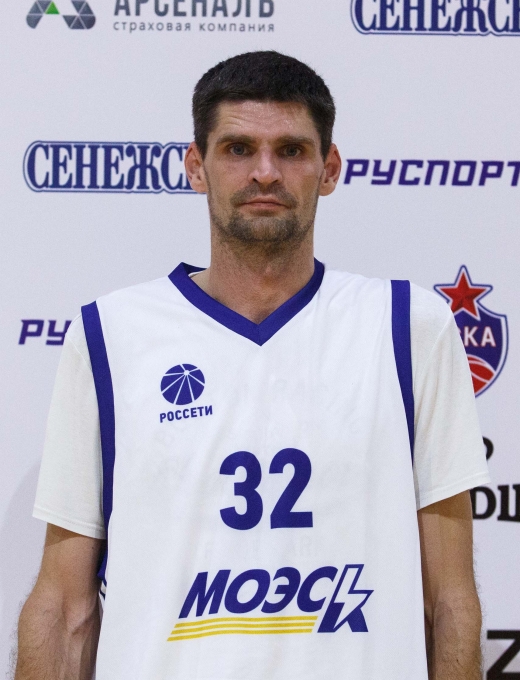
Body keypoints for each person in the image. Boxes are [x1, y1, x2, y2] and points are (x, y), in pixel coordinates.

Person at [15, 51, 490, 680]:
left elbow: (448, 602)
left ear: (330, 168)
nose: (265, 172)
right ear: (196, 166)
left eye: (291, 150)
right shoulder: (110, 334)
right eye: (238, 148)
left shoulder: (410, 327)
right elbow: (64, 608)